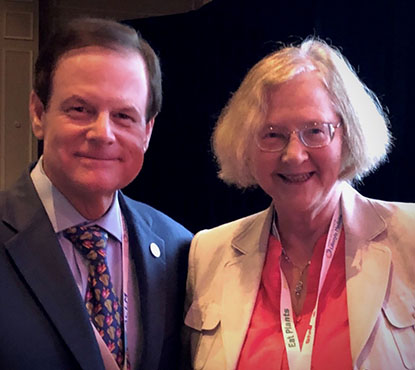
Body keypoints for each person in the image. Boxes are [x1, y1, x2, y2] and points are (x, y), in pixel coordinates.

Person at [183, 38, 415, 370]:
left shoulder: (410, 238)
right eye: (272, 134)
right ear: (245, 144)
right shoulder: (207, 253)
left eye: (315, 131)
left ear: (348, 135)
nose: (293, 154)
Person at [0, 18, 192, 370]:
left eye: (123, 115)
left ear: (147, 131)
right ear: (38, 113)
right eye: (80, 109)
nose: (103, 133)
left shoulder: (180, 249)